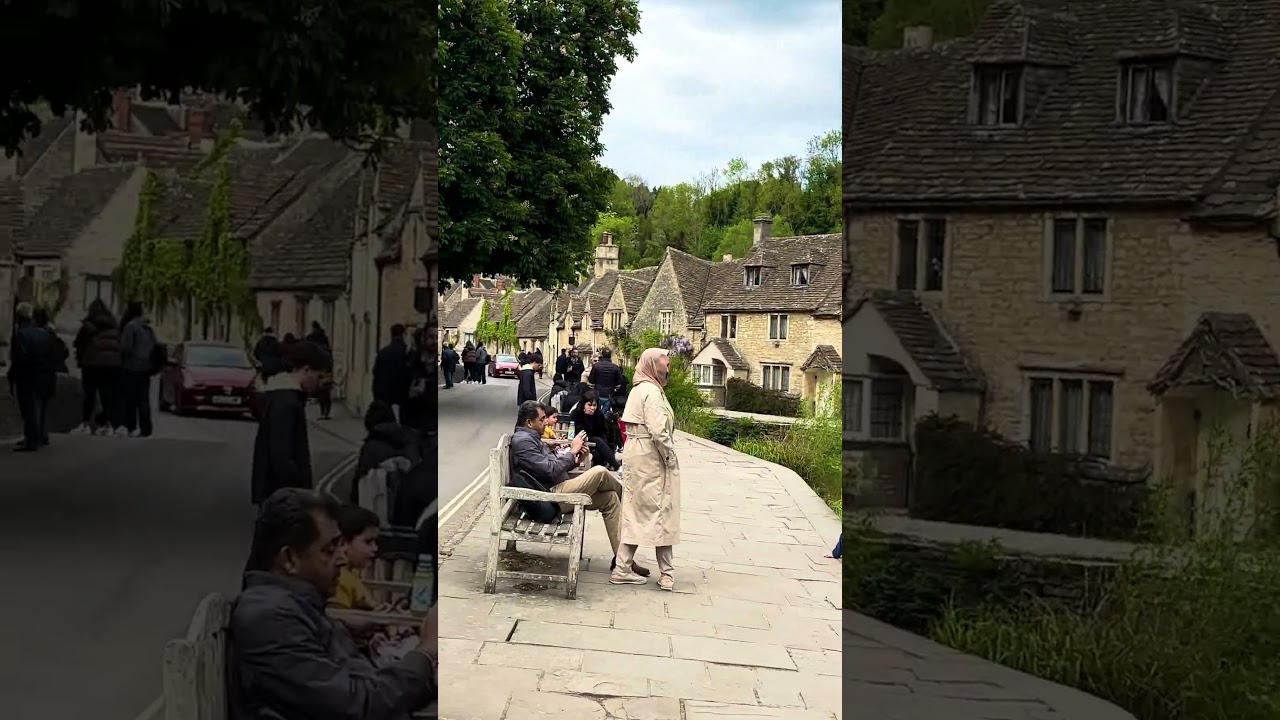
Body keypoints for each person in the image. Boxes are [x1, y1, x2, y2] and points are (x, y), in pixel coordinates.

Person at [230, 488, 437, 718]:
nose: (341, 558)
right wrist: (426, 651)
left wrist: (430, 678)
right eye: (330, 549)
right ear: (289, 560)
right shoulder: (270, 619)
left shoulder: (296, 607)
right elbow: (359, 706)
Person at [511, 400, 648, 577]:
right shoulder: (523, 442)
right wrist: (572, 451)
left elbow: (550, 467)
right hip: (550, 497)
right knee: (599, 471)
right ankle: (632, 501)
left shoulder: (531, 438)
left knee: (610, 499)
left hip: (558, 489)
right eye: (542, 419)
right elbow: (550, 471)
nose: (546, 422)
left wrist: (576, 459)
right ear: (529, 422)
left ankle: (623, 561)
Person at [613, 348, 680, 590]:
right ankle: (666, 574)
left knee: (636, 511)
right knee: (661, 510)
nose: (668, 366)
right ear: (653, 364)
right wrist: (669, 457)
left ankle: (623, 566)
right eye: (665, 361)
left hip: (637, 453)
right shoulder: (651, 392)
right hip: (650, 457)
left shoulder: (640, 389)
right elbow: (659, 431)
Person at [251, 341, 332, 506]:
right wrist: (300, 491)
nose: (319, 383)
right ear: (306, 370)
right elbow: (281, 456)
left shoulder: (284, 398)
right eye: (318, 376)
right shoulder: (286, 403)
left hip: (277, 495)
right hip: (283, 498)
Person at [7, 303, 58, 452]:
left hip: (28, 376)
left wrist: (13, 377)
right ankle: (41, 436)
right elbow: (53, 354)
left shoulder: (21, 334)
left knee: (30, 409)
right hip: (45, 374)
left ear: (18, 317)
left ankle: (32, 440)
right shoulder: (44, 333)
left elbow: (18, 358)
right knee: (40, 406)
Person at [72, 299, 123, 436]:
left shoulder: (88, 326)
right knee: (108, 395)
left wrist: (80, 360)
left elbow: (79, 344)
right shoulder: (114, 327)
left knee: (89, 395)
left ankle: (86, 424)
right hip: (112, 365)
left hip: (91, 364)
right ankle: (109, 425)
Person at [329, 504, 381, 611]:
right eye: (368, 542)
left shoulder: (351, 575)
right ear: (344, 543)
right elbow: (340, 620)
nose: (375, 548)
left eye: (376, 542)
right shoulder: (339, 580)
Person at [118, 301, 158, 438]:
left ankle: (131, 425)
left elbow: (125, 347)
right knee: (143, 399)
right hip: (145, 368)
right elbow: (154, 346)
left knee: (130, 399)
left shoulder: (130, 327)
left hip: (131, 367)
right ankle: (146, 428)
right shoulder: (147, 328)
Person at [571, 389, 621, 471]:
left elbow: (604, 431)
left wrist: (603, 442)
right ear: (584, 404)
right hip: (581, 440)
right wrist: (587, 416)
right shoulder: (576, 414)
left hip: (598, 441)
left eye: (594, 405)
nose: (592, 408)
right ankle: (616, 465)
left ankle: (607, 464)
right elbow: (576, 431)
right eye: (589, 405)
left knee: (599, 450)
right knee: (597, 441)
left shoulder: (599, 414)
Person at [372, 324, 411, 418]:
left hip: (383, 395)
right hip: (400, 396)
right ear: (403, 335)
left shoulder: (383, 352)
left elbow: (375, 371)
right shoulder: (406, 352)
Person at [306, 322, 333, 420]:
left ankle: (324, 412)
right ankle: (325, 412)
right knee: (325, 392)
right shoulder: (323, 340)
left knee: (322, 391)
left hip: (319, 368)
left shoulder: (312, 340)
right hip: (324, 369)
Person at [587, 347, 624, 416]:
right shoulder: (615, 367)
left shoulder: (596, 366)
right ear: (610, 356)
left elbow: (591, 380)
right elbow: (619, 382)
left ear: (602, 355)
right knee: (606, 413)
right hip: (609, 394)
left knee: (596, 412)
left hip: (598, 393)